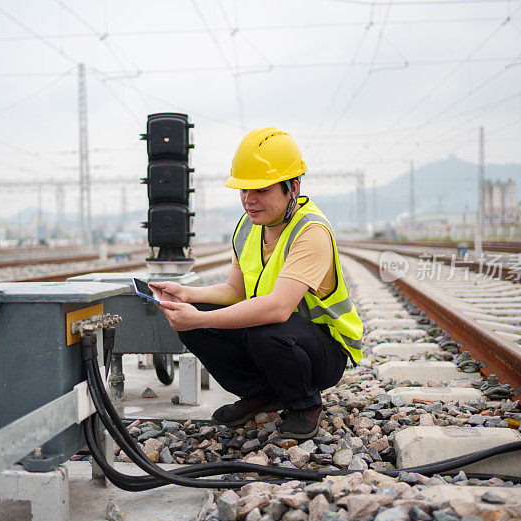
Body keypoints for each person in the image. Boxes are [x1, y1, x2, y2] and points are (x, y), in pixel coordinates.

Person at [149, 127, 363, 439]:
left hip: (322, 351)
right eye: (243, 190)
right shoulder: (250, 226)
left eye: (261, 190)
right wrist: (187, 294)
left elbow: (277, 308)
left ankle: (304, 403)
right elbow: (235, 292)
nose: (249, 200)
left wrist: (200, 319)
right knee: (197, 315)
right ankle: (263, 395)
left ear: (293, 187)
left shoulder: (310, 231)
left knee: (262, 327)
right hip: (278, 338)